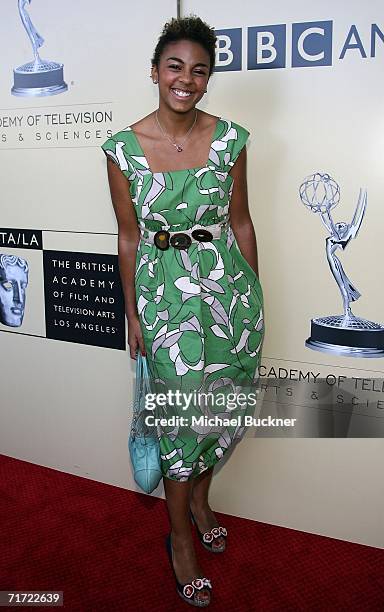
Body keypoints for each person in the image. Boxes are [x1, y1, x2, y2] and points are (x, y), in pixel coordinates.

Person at [101, 15, 264, 608]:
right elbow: (127, 237)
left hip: (228, 297)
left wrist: (254, 297)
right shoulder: (122, 150)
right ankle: (179, 539)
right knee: (177, 422)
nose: (186, 80)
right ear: (155, 71)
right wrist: (134, 315)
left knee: (220, 411)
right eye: (175, 67)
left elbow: (241, 221)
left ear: (207, 79)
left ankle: (199, 499)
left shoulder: (231, 140)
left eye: (199, 70)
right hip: (164, 297)